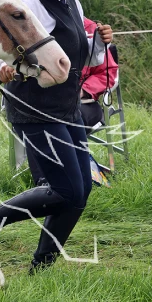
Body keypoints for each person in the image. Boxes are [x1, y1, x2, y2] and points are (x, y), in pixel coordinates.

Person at [0, 0, 114, 273]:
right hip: (34, 110)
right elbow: (1, 47)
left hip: (67, 108)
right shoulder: (29, 1)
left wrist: (100, 41)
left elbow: (77, 53)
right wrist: (3, 68)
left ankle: (42, 266)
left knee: (81, 190)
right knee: (65, 189)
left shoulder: (72, 2)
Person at [20, 16, 120, 186]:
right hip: (44, 103)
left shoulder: (90, 29)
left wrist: (83, 90)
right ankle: (45, 183)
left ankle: (71, 177)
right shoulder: (35, 27)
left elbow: (108, 73)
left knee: (56, 121)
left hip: (84, 104)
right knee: (37, 119)